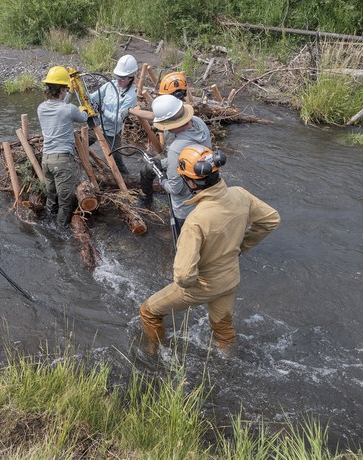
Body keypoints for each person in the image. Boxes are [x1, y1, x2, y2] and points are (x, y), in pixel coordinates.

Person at [139, 143, 280, 352]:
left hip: (204, 285)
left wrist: (198, 284)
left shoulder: (195, 221)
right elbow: (271, 219)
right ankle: (228, 360)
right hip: (230, 279)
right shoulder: (240, 194)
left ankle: (155, 354)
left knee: (148, 312)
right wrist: (241, 247)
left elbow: (184, 278)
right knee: (223, 329)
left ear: (190, 181)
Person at [140, 95, 211, 237]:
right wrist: (164, 163)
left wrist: (162, 179)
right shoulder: (198, 123)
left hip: (186, 207)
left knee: (185, 240)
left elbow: (175, 188)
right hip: (207, 189)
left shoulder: (176, 148)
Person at [37, 66, 88, 227]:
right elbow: (83, 117)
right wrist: (83, 108)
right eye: (65, 89)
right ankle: (59, 234)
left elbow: (60, 109)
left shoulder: (41, 108)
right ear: (62, 89)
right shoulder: (70, 110)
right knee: (66, 202)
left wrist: (69, 93)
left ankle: (47, 224)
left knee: (52, 197)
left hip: (46, 160)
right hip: (62, 161)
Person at [89, 54, 138, 175]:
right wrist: (85, 98)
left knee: (117, 161)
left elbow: (118, 119)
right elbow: (93, 97)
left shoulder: (131, 96)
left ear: (131, 78)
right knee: (80, 145)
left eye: (122, 78)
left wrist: (103, 110)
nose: (119, 81)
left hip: (112, 132)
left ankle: (128, 181)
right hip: (97, 125)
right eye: (117, 77)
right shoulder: (109, 85)